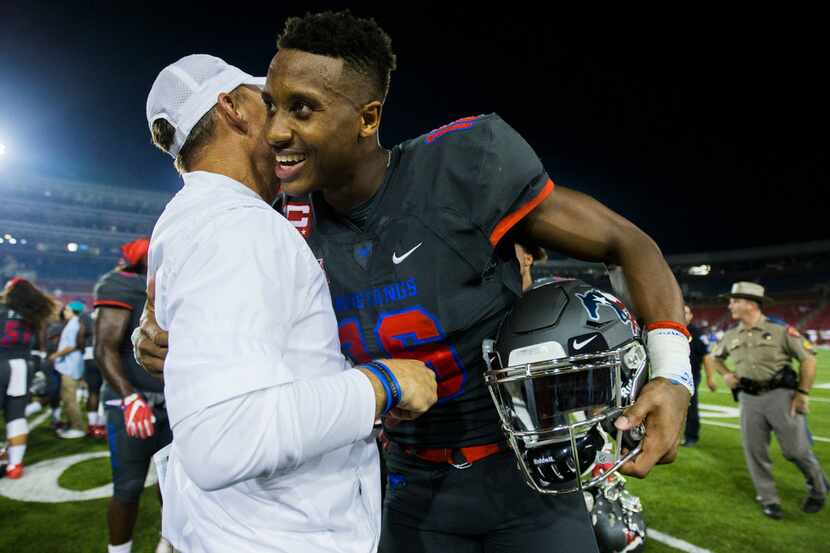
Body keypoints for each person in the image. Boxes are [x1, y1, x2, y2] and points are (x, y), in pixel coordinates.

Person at [138, 12, 693, 552]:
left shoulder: (461, 167)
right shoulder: (273, 224)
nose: (278, 129)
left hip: (525, 472)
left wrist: (671, 374)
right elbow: (206, 284)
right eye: (274, 106)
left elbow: (628, 242)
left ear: (368, 117)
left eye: (302, 109)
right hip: (403, 482)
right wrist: (163, 333)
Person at [143, 53, 437, 552]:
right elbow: (223, 440)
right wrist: (383, 382)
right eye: (270, 104)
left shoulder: (184, 220)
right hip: (283, 534)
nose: (284, 126)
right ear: (233, 109)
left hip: (229, 528)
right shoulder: (239, 226)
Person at [704, 282, 827, 519]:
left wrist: (803, 393)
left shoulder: (781, 330)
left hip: (781, 396)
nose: (730, 305)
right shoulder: (731, 335)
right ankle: (769, 499)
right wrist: (726, 374)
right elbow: (714, 357)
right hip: (749, 399)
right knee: (755, 452)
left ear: (750, 304)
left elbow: (808, 358)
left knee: (797, 451)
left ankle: (818, 489)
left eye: (735, 301)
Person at [93, 238, 173, 553]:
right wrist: (129, 397)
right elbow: (104, 347)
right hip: (133, 401)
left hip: (173, 401)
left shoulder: (172, 282)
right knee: (128, 487)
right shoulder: (120, 284)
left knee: (174, 483)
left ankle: (168, 540)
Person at [0, 277, 55, 478]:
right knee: (16, 416)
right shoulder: (32, 315)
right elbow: (39, 346)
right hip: (22, 366)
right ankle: (15, 465)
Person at [50, 300, 87, 439]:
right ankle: (72, 424)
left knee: (69, 397)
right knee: (67, 397)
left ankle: (78, 427)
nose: (64, 312)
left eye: (66, 310)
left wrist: (56, 355)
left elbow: (71, 345)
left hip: (70, 365)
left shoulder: (73, 324)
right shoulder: (73, 323)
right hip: (70, 364)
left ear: (72, 311)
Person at [682, 304, 713, 446]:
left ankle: (691, 436)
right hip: (672, 376)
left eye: (686, 312)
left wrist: (710, 378)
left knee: (690, 406)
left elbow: (707, 356)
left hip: (691, 376)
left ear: (691, 316)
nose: (683, 314)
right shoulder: (673, 331)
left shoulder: (697, 333)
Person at [79, 307, 105, 438]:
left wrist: (84, 350)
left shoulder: (87, 318)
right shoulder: (110, 315)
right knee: (105, 391)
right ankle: (100, 425)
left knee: (92, 392)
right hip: (105, 356)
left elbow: (80, 338)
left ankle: (91, 424)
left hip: (89, 356)